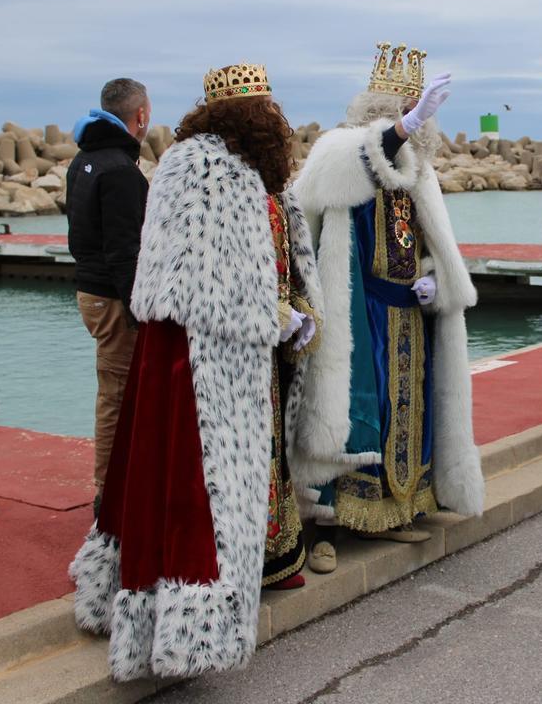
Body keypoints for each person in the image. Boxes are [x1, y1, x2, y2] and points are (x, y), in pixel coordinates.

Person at [69, 63, 321, 680]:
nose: (274, 123)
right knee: (194, 493)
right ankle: (185, 630)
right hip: (200, 363)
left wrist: (295, 314)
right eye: (265, 112)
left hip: (229, 354)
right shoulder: (203, 170)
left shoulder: (247, 173)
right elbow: (203, 283)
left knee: (216, 482)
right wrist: (272, 316)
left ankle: (237, 584)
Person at [290, 42, 484, 573]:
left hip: (408, 314)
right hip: (357, 310)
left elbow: (428, 243)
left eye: (413, 113)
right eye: (399, 112)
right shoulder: (341, 152)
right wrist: (400, 128)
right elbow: (350, 170)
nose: (407, 122)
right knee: (348, 414)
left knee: (408, 410)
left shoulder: (421, 171)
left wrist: (431, 279)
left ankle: (398, 507)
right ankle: (322, 524)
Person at [66, 77, 151, 514]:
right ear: (140, 116)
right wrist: (141, 309)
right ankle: (108, 493)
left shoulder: (84, 157)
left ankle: (117, 483)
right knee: (117, 393)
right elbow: (124, 250)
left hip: (90, 289)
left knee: (114, 389)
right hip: (114, 297)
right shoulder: (120, 169)